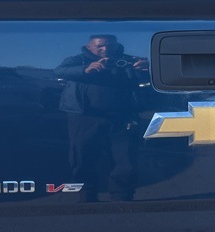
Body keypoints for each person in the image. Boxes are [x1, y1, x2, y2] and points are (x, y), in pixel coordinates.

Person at [54, 35, 148, 202]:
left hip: (122, 116)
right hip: (84, 116)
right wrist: (85, 69)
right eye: (100, 46)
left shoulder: (127, 60)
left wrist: (145, 69)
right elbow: (60, 71)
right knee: (82, 157)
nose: (106, 50)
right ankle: (86, 194)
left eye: (110, 46)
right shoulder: (78, 60)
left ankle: (122, 197)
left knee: (125, 158)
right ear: (89, 47)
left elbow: (144, 80)